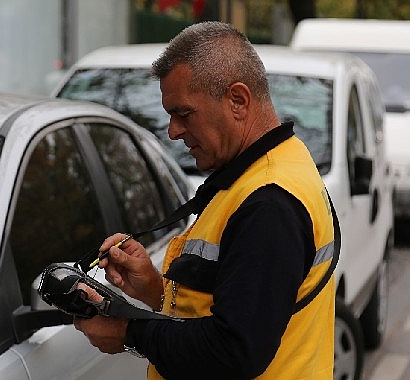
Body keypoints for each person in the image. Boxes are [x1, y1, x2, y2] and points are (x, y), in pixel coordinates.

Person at [73, 21, 336, 379]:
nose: (173, 131)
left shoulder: (269, 204)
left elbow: (234, 349)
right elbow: (233, 304)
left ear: (238, 101)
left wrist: (128, 332)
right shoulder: (272, 168)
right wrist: (154, 289)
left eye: (184, 113)